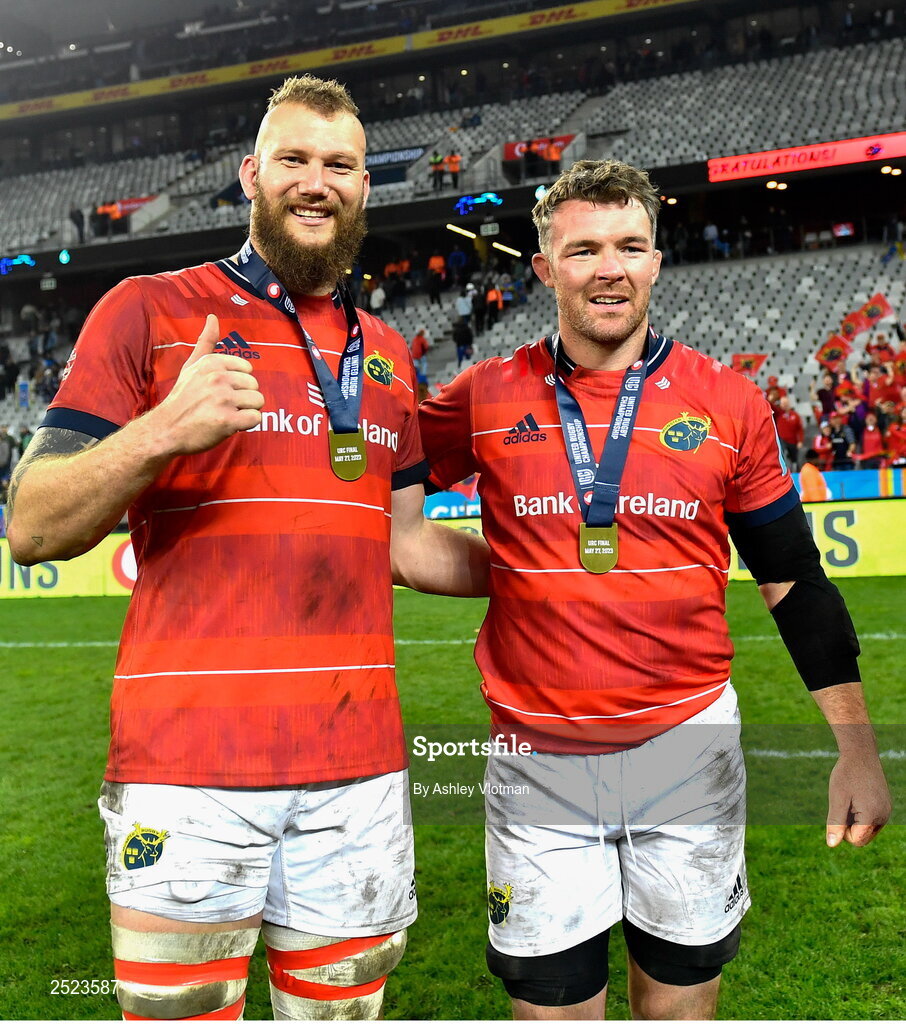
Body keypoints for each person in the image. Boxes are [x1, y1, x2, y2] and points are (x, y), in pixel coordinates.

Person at [6, 74, 488, 1023]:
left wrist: (544, 568)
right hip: (187, 771)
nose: (318, 181)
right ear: (249, 176)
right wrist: (160, 432)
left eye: (340, 165)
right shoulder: (146, 311)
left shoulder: (387, 354)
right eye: (294, 159)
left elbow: (411, 544)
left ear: (363, 187)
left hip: (358, 771)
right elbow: (31, 523)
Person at [418, 159, 890, 1021]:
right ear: (544, 268)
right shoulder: (483, 396)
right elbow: (377, 498)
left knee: (678, 1007)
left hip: (688, 747)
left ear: (657, 262)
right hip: (537, 757)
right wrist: (507, 569)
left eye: (631, 246)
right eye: (585, 248)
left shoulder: (729, 401)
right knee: (552, 1010)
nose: (611, 268)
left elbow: (795, 582)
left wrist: (857, 749)